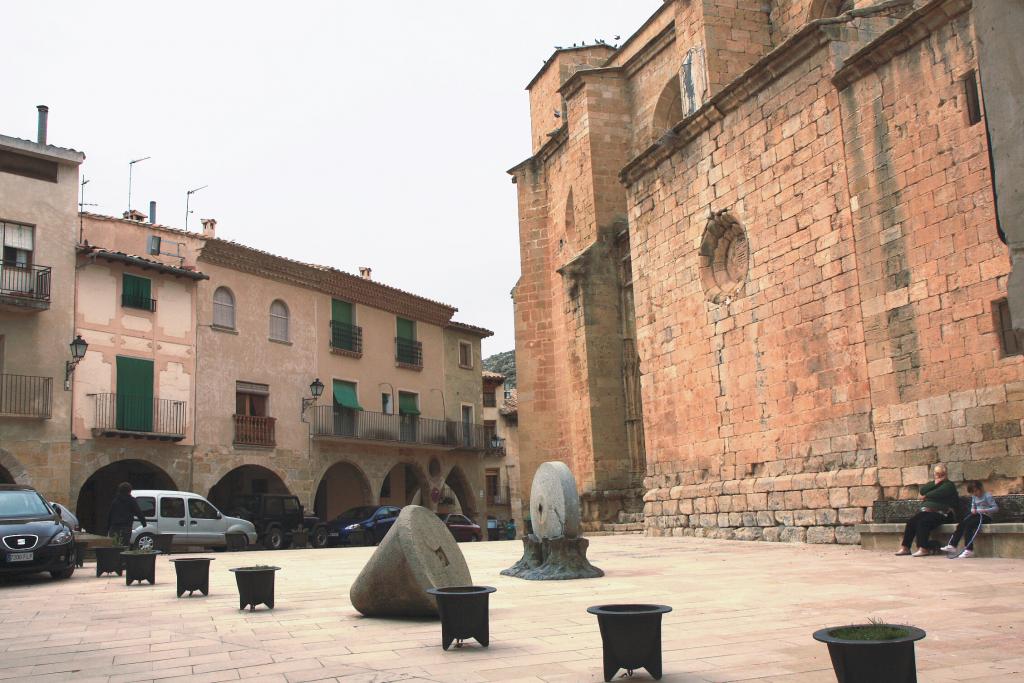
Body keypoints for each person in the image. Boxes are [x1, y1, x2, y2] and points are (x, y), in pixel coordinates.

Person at [895, 464, 959, 557]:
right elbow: (923, 490)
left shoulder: (949, 485)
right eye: (937, 473)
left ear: (945, 474)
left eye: (940, 473)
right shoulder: (932, 484)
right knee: (911, 522)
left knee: (923, 523)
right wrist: (935, 483)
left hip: (942, 514)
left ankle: (923, 548)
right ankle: (905, 547)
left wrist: (926, 496)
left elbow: (938, 492)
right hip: (927, 511)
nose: (938, 475)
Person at [940, 480, 998, 559]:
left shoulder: (987, 496)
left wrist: (983, 510)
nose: (975, 494)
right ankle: (953, 545)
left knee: (969, 526)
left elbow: (995, 508)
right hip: (976, 515)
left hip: (985, 516)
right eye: (972, 492)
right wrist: (973, 509)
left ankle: (969, 550)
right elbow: (973, 506)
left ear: (980, 488)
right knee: (962, 523)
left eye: (976, 491)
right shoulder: (974, 497)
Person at [107, 482, 147, 547]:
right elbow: (138, 512)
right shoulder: (131, 501)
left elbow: (110, 514)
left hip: (114, 527)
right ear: (129, 491)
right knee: (124, 546)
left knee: (114, 546)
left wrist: (108, 527)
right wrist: (144, 523)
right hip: (126, 527)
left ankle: (114, 557)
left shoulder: (115, 501)